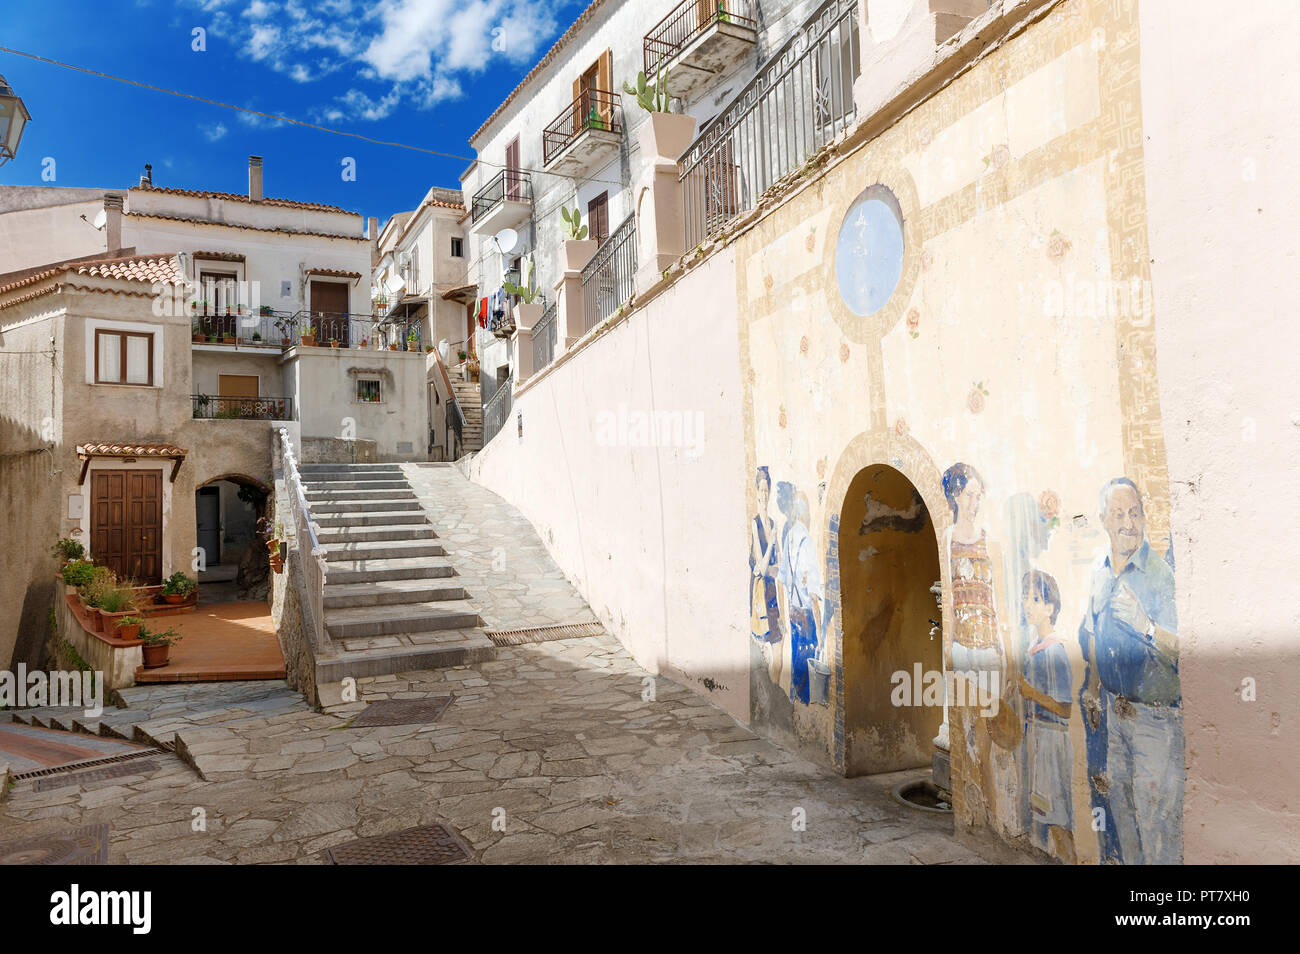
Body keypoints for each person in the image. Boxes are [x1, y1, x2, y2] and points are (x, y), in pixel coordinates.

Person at [1078, 477, 1181, 865]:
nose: (1128, 522)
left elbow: (1184, 650)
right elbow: (1091, 631)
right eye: (1119, 514)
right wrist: (1092, 686)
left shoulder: (1159, 575)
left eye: (1135, 513)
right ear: (1103, 519)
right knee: (1124, 815)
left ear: (1144, 517)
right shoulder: (1100, 574)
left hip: (1155, 720)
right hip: (1115, 716)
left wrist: (1147, 626)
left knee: (1157, 824)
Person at [1018, 570, 1076, 863]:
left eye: (1037, 599)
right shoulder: (1034, 650)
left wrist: (1031, 693)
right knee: (1046, 812)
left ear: (1051, 607)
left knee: (1058, 818)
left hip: (1053, 741)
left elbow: (1065, 708)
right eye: (1026, 598)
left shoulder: (1054, 652)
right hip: (1039, 739)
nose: (1029, 605)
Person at [778, 490, 822, 705]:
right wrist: (822, 634)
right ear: (806, 514)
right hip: (806, 612)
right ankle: (805, 702)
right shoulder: (806, 540)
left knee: (797, 656)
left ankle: (795, 696)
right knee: (809, 655)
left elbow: (782, 577)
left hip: (793, 609)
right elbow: (813, 594)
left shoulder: (790, 537)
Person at [750, 468, 782, 681]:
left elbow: (777, 566)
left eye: (766, 490)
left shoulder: (773, 522)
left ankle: (775, 696)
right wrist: (770, 542)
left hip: (773, 592)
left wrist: (769, 567)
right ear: (756, 491)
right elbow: (761, 568)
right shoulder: (757, 523)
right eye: (761, 489)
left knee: (779, 651)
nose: (764, 494)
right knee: (767, 651)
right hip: (761, 593)